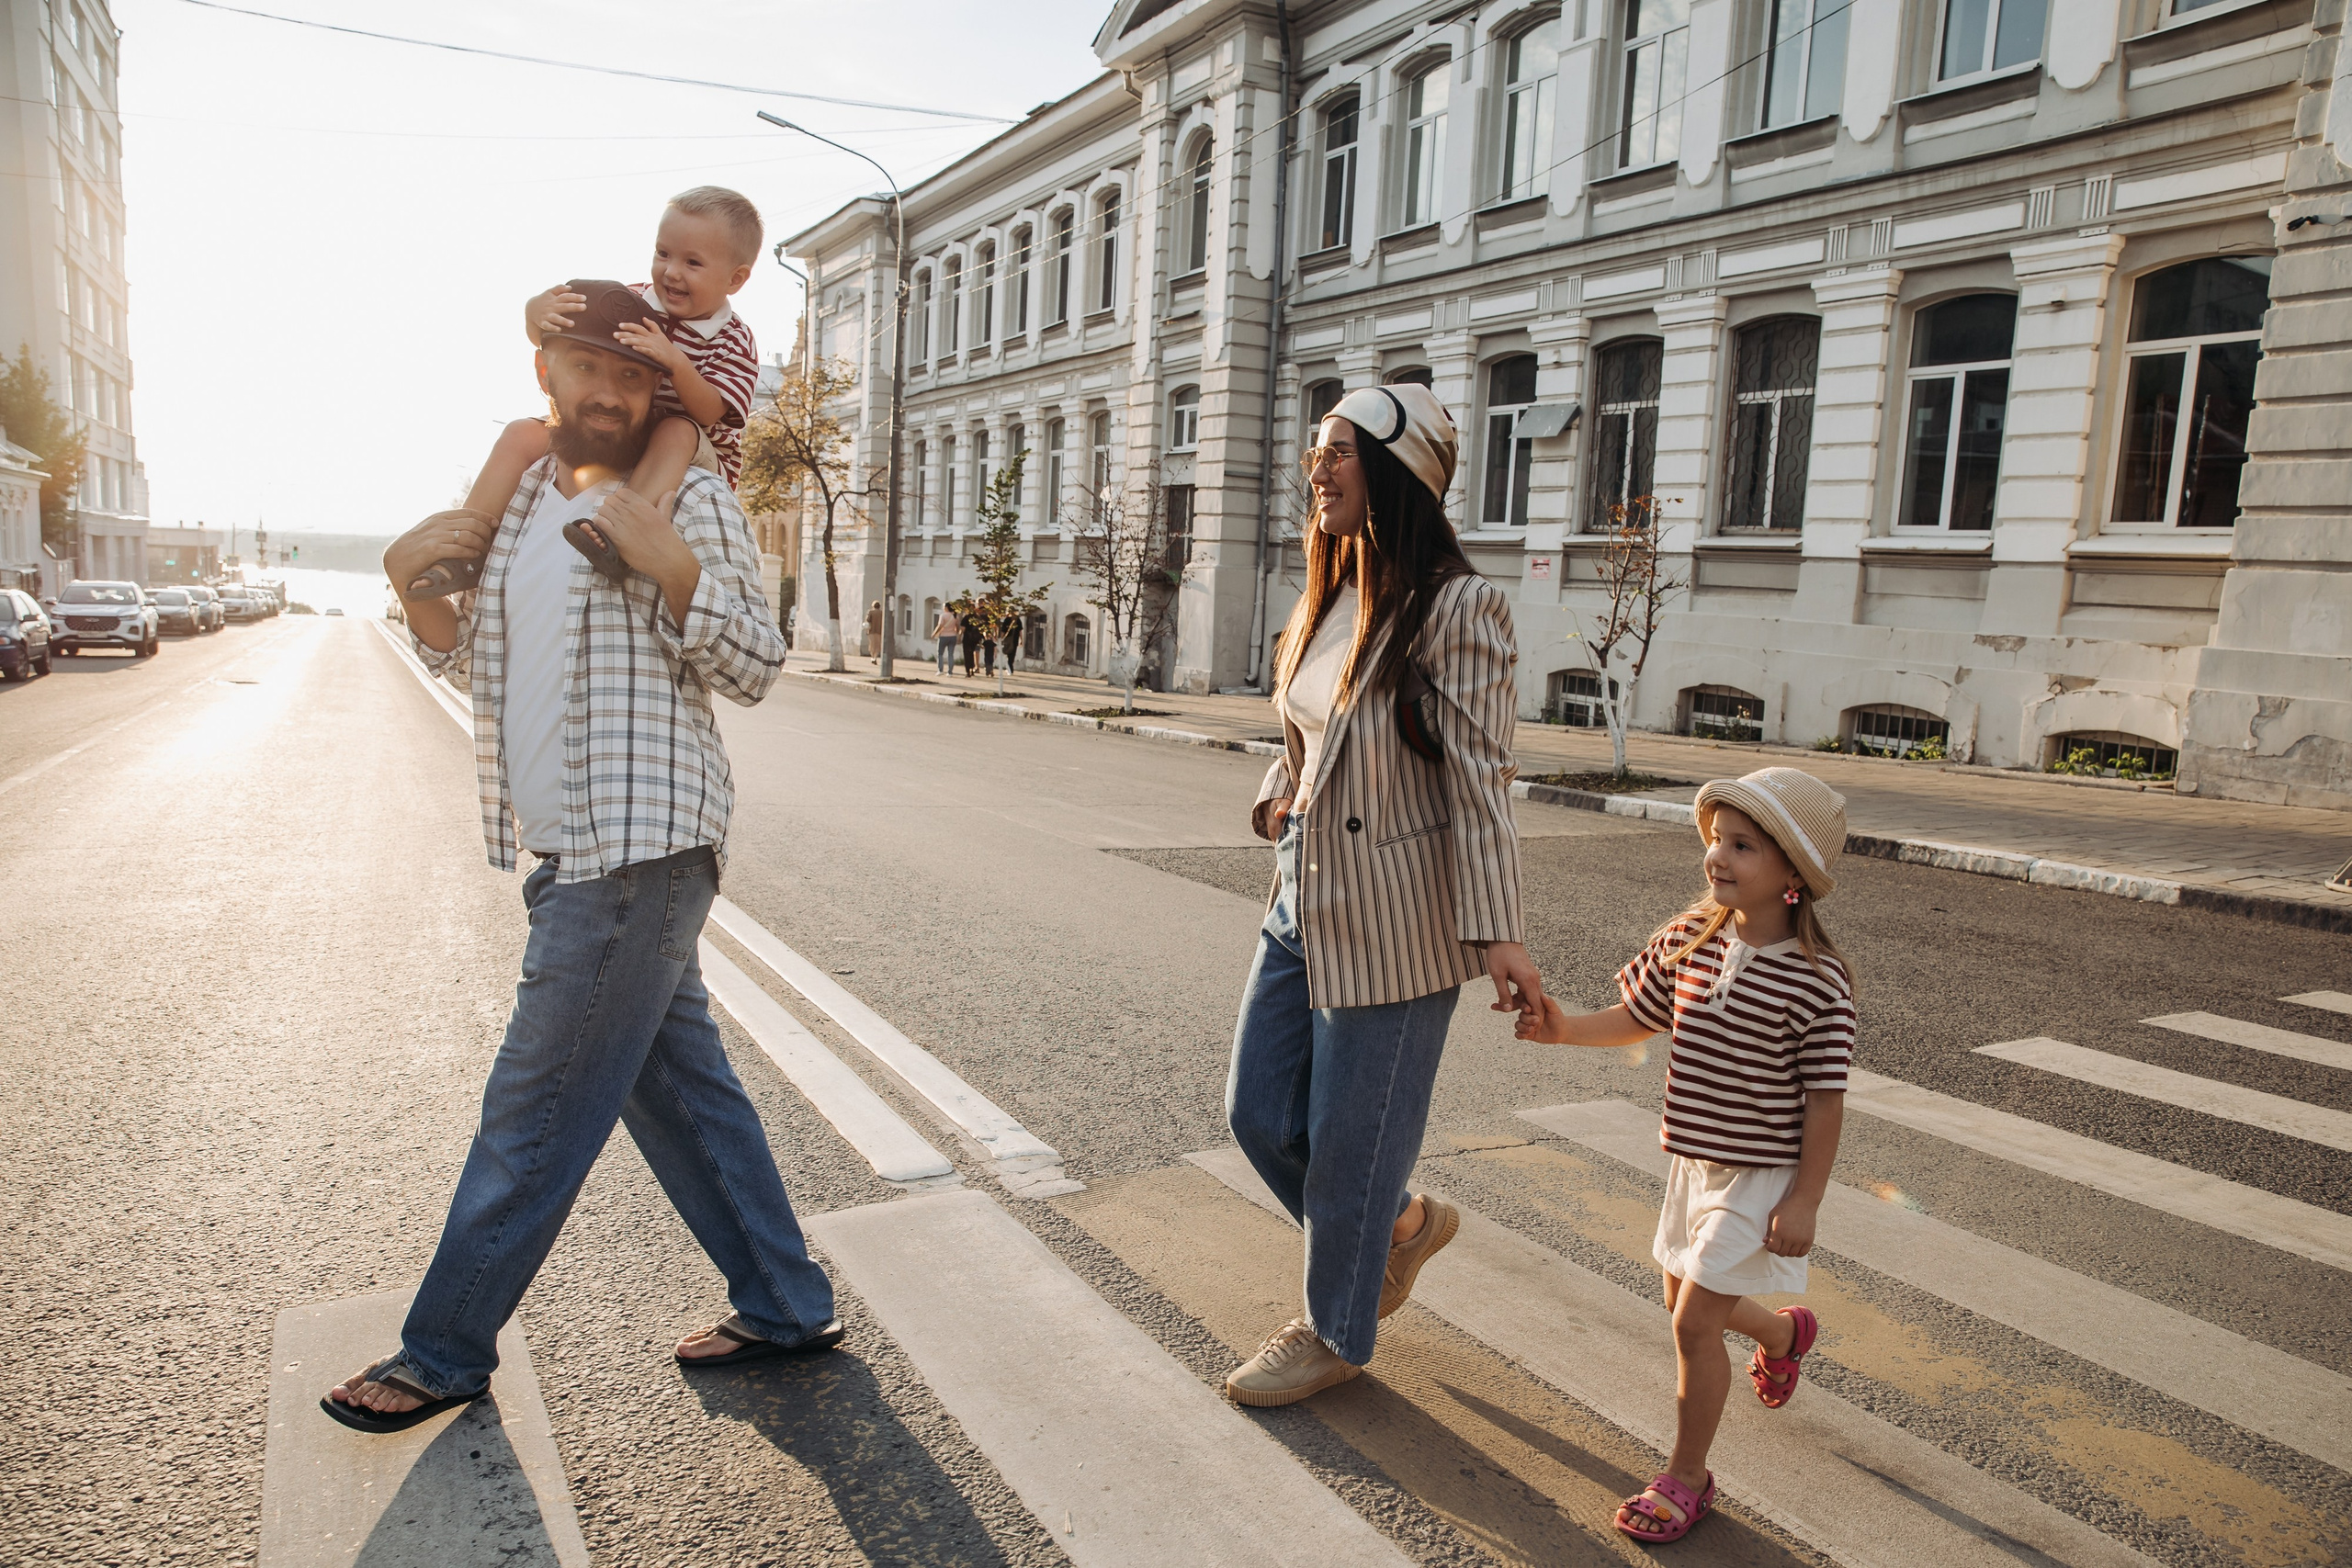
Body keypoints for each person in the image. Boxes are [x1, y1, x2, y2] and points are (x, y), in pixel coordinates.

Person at [327, 288, 839, 1435]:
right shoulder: (515, 514)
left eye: (631, 375)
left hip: (643, 845)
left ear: (653, 386)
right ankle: (786, 1300)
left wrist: (678, 573)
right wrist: (423, 602)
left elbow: (755, 665)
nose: (608, 393)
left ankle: (445, 1346)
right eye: (584, 368)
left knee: (536, 1103)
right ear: (545, 372)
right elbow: (487, 680)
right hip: (570, 847)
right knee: (683, 1096)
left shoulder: (690, 491)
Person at [1223, 383, 1543, 1407]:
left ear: (1400, 474)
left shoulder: (1461, 608)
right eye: (1316, 451)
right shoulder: (1333, 587)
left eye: (1341, 453)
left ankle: (1335, 1330)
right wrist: (1282, 788)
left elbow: (1477, 780)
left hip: (1400, 917)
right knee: (1261, 1117)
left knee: (1349, 1148)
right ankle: (1401, 1226)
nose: (1318, 470)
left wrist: (1498, 932)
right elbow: (1315, 724)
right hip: (1301, 890)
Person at [1516, 766, 1854, 1543]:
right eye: (1715, 839)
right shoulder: (1689, 939)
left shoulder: (1817, 982)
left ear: (1794, 874)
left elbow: (1825, 1100)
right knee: (1686, 1306)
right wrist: (1563, 1028)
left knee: (1693, 1323)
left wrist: (1804, 1200)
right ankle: (1780, 1334)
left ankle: (1688, 1478)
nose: (1718, 857)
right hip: (1692, 1164)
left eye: (1743, 845)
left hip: (1760, 1174)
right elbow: (1636, 1017)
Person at [458, 187, 763, 541]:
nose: (672, 272)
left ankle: (618, 533)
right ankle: (463, 539)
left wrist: (675, 363)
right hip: (624, 430)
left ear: (735, 279)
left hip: (692, 451)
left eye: (692, 263)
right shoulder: (629, 302)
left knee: (677, 428)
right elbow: (560, 347)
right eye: (663, 254)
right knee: (520, 432)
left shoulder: (734, 339)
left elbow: (710, 413)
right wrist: (535, 313)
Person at [933, 604, 960, 673]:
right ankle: (950, 671)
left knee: (940, 654)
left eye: (943, 606)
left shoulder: (943, 615)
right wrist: (956, 633)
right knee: (950, 654)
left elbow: (940, 626)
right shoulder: (955, 616)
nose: (943, 608)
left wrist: (934, 633)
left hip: (943, 636)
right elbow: (957, 626)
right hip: (953, 636)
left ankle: (940, 670)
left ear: (946, 607)